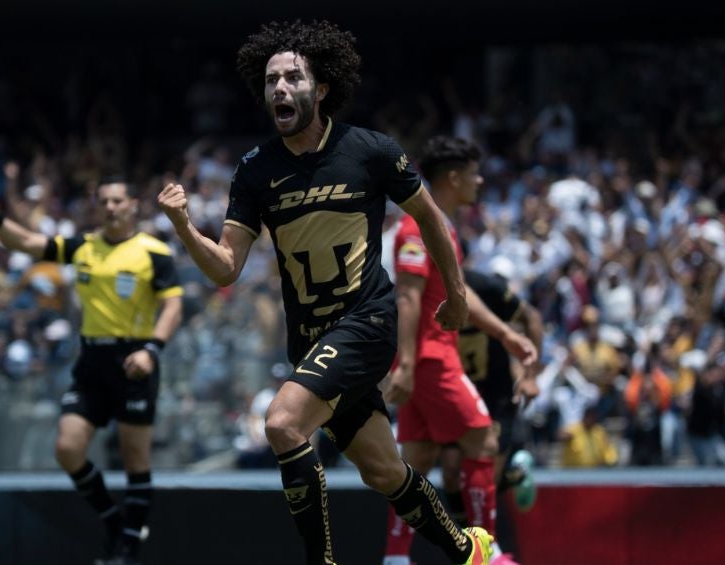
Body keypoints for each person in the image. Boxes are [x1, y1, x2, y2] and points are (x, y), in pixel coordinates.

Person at [158, 19, 496, 565]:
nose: (280, 89)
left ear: (321, 88)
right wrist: (182, 226)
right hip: (312, 344)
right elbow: (225, 269)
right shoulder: (255, 171)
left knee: (282, 422)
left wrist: (455, 292)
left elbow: (431, 217)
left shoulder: (370, 150)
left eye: (293, 77)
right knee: (384, 471)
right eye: (271, 81)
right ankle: (468, 551)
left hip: (366, 324)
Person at [0, 178, 184, 565]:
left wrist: (152, 350)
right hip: (92, 361)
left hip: (135, 360)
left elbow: (173, 307)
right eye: (104, 201)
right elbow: (29, 244)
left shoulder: (153, 251)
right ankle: (114, 521)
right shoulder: (84, 246)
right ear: (96, 207)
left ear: (133, 205)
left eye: (118, 200)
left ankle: (128, 549)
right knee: (67, 448)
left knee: (136, 458)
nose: (111, 207)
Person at [382, 135, 537, 565]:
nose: (480, 180)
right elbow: (408, 298)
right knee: (484, 439)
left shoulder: (442, 226)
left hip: (427, 359)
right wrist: (409, 364)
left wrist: (504, 334)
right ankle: (485, 552)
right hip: (430, 359)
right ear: (453, 178)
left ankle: (395, 558)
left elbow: (459, 291)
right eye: (473, 174)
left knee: (415, 462)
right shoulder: (416, 227)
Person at [440, 269, 543, 564]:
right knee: (450, 472)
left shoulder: (487, 287)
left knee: (487, 476)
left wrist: (530, 375)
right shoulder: (429, 287)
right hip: (455, 393)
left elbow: (532, 319)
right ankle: (470, 548)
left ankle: (515, 475)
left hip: (494, 395)